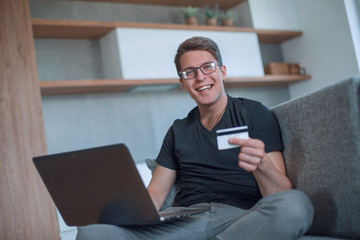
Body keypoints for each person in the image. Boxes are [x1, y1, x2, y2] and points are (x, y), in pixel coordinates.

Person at [77, 36, 314, 240]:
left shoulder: (254, 114)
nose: (200, 77)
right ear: (182, 83)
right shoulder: (178, 131)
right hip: (184, 222)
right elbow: (156, 193)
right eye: (189, 72)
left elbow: (281, 193)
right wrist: (118, 209)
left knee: (295, 205)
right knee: (93, 233)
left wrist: (262, 165)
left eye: (208, 67)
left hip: (239, 219)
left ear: (222, 71)